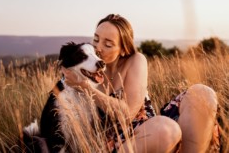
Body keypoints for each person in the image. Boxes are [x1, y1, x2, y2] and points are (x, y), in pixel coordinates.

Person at [62, 14, 220, 152]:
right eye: (96, 40)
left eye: (108, 44)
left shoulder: (135, 61)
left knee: (203, 94)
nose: (98, 48)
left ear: (123, 49)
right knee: (166, 130)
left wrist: (86, 88)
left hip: (151, 132)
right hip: (118, 144)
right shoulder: (81, 71)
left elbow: (128, 114)